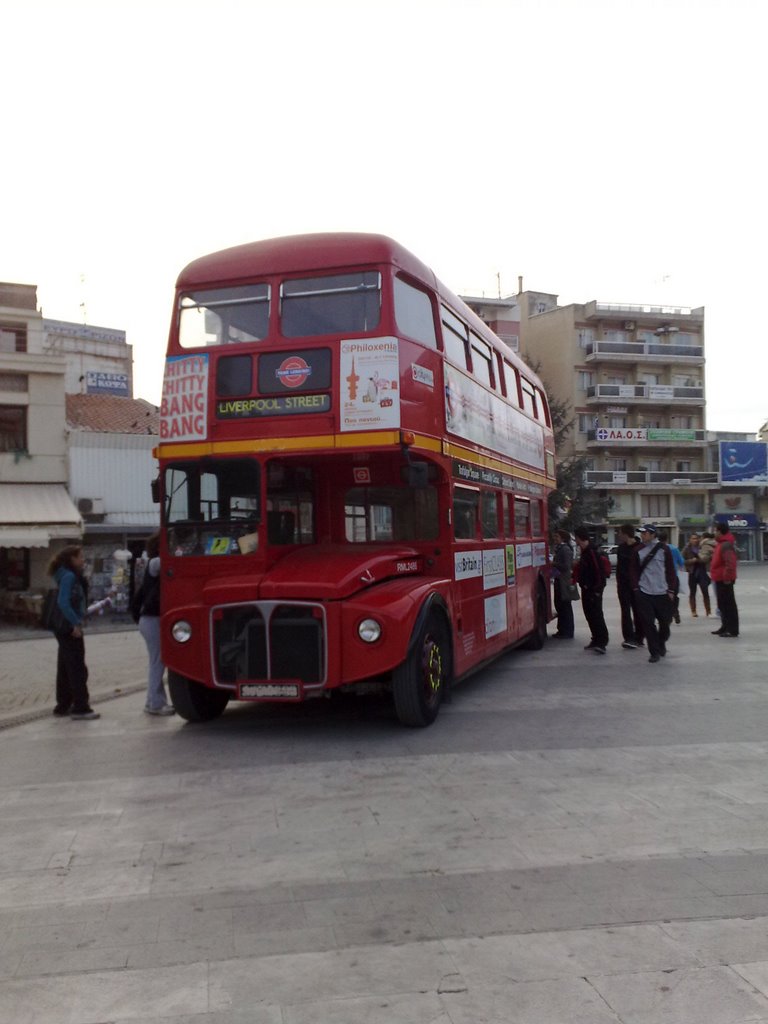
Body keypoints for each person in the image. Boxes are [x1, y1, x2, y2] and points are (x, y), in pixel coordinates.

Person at [47, 545, 100, 720]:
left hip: (61, 626)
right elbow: (64, 602)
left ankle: (63, 704)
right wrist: (76, 623)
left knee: (64, 666)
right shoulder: (69, 576)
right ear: (72, 559)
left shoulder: (63, 575)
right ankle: (81, 707)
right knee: (77, 666)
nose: (83, 560)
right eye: (80, 557)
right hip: (69, 626)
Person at [133, 532, 175, 715]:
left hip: (148, 619)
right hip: (152, 619)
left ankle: (154, 701)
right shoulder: (155, 562)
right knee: (158, 661)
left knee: (156, 661)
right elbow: (171, 560)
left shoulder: (151, 563)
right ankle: (155, 704)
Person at [632, 524, 677, 664]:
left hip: (662, 592)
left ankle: (661, 641)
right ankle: (654, 651)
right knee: (648, 623)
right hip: (644, 591)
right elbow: (632, 571)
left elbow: (670, 570)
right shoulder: (638, 550)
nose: (642, 536)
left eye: (645, 533)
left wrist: (671, 590)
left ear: (653, 534)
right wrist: (635, 589)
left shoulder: (664, 550)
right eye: (641, 533)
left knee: (665, 622)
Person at [573, 526, 608, 654]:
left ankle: (602, 642)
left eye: (576, 538)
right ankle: (595, 639)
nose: (575, 541)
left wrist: (597, 589)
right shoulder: (585, 551)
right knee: (589, 615)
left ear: (579, 538)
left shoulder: (592, 552)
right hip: (586, 589)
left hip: (594, 589)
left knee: (597, 615)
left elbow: (599, 572)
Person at [616, 523, 644, 649]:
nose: (619, 535)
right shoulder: (621, 548)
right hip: (623, 585)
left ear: (625, 534)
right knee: (625, 611)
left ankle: (639, 637)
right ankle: (628, 637)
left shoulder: (639, 548)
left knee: (638, 611)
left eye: (620, 533)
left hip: (636, 584)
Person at [710, 522, 739, 638]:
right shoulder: (721, 544)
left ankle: (732, 629)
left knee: (729, 605)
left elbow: (730, 563)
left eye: (715, 531)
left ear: (720, 532)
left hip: (725, 580)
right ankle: (725, 626)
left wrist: (727, 578)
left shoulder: (726, 545)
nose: (714, 533)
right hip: (719, 578)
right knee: (722, 605)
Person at [551, 529, 575, 639]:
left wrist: (554, 563)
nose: (555, 539)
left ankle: (567, 631)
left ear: (563, 538)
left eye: (557, 537)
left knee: (565, 606)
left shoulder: (565, 549)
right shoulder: (559, 549)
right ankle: (562, 630)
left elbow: (566, 566)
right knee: (559, 605)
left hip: (563, 581)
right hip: (559, 580)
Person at [681, 533, 711, 617]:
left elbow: (708, 558)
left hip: (702, 571)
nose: (695, 540)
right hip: (692, 572)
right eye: (693, 538)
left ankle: (708, 611)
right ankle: (693, 611)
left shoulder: (702, 547)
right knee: (692, 592)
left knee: (705, 592)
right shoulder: (687, 548)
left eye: (696, 538)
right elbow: (682, 560)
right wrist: (692, 561)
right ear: (690, 540)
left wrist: (702, 560)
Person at [658, 530, 684, 624]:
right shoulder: (674, 548)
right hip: (673, 576)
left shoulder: (657, 549)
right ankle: (675, 611)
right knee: (674, 595)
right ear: (667, 538)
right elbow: (681, 562)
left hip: (661, 577)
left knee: (662, 597)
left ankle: (665, 615)